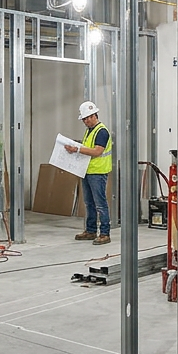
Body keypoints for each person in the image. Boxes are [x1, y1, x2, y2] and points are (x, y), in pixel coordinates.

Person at [66, 100, 112, 245]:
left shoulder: (102, 131)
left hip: (98, 172)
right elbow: (88, 147)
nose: (86, 121)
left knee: (100, 203)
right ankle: (91, 230)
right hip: (87, 171)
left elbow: (98, 151)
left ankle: (105, 233)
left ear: (94, 115)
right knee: (89, 203)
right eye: (84, 119)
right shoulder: (89, 131)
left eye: (88, 118)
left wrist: (77, 149)